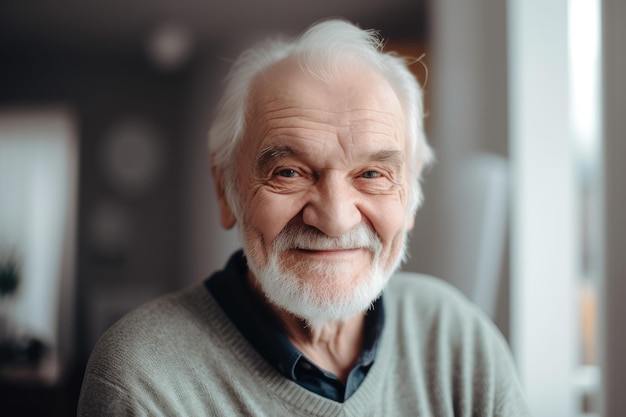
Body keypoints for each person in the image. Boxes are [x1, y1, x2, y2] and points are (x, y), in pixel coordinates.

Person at [78, 19, 530, 416]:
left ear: (411, 194)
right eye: (288, 172)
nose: (334, 219)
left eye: (372, 173)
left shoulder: (459, 340)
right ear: (225, 191)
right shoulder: (142, 377)